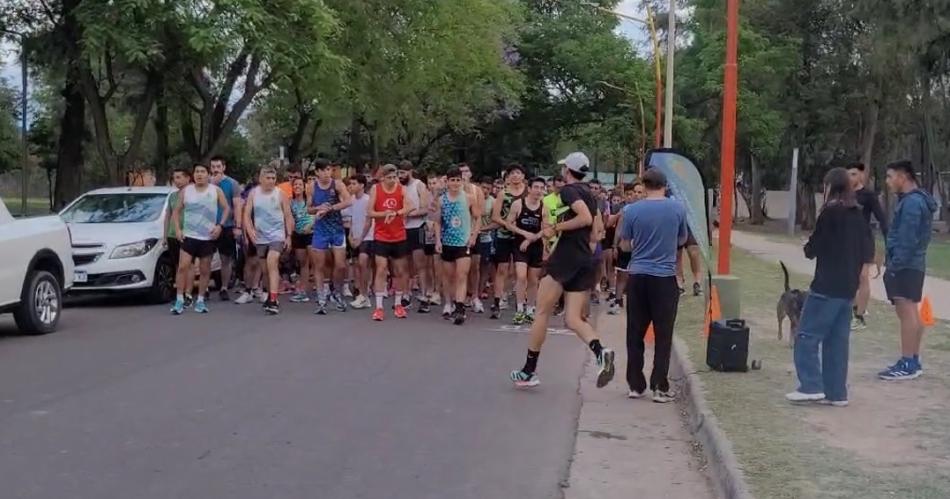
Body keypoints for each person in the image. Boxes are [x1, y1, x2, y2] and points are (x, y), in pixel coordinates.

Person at [510, 152, 615, 389]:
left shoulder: (569, 191)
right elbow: (597, 230)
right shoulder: (591, 194)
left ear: (568, 170)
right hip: (583, 258)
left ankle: (529, 370)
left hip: (566, 256)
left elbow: (586, 219)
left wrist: (556, 228)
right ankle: (601, 352)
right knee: (573, 318)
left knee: (541, 313)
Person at [785, 167, 873, 406]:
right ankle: (836, 393)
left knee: (806, 335)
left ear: (829, 187)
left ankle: (811, 385)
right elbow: (864, 248)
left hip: (826, 285)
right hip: (847, 287)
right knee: (836, 341)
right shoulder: (857, 213)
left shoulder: (830, 212)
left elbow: (814, 248)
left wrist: (808, 245)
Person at [618, 168, 687, 403]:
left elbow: (624, 245)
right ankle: (660, 385)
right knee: (663, 333)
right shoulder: (677, 208)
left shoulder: (631, 210)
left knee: (634, 332)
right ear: (665, 185)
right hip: (664, 277)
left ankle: (636, 385)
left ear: (644, 186)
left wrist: (640, 245)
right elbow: (682, 239)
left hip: (638, 276)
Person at [879, 160, 936, 381]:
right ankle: (912, 359)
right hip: (912, 263)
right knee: (911, 309)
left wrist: (895, 264)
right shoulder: (913, 201)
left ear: (903, 177)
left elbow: (908, 238)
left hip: (907, 264)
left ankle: (907, 362)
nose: (888, 181)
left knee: (906, 311)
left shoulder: (912, 203)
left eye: (890, 176)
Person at [171, 164, 230, 315]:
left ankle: (201, 300)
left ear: (208, 174)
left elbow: (226, 209)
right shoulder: (186, 191)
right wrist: (178, 230)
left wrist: (220, 226)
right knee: (183, 267)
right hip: (189, 235)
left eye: (203, 172)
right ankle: (179, 300)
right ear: (193, 175)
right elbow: (176, 212)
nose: (199, 174)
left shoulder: (215, 190)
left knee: (205, 270)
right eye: (197, 172)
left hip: (208, 236)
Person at [243, 167, 294, 315]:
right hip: (261, 236)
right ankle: (269, 293)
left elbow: (288, 215)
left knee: (273, 261)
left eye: (273, 178)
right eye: (268, 178)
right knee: (265, 270)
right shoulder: (254, 193)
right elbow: (246, 214)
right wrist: (250, 230)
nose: (271, 181)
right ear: (261, 179)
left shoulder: (280, 194)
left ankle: (273, 299)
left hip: (277, 235)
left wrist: (289, 235)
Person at [434, 167, 480, 324]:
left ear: (462, 181)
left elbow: (477, 218)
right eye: (452, 180)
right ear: (447, 182)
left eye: (457, 180)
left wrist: (473, 236)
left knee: (461, 275)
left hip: (463, 242)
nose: (455, 183)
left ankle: (460, 308)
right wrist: (438, 240)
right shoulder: (442, 200)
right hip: (447, 242)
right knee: (449, 276)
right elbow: (437, 222)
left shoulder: (469, 198)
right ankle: (448, 303)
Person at [369, 164, 414, 321]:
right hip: (381, 235)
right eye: (389, 178)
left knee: (400, 271)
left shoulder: (401, 188)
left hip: (398, 236)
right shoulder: (376, 189)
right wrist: (385, 213)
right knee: (381, 269)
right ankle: (379, 307)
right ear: (383, 177)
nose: (392, 180)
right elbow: (370, 212)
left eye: (394, 177)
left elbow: (410, 206)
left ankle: (398, 304)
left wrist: (396, 213)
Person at [846, 162, 888, 330]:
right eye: (848, 174)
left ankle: (859, 317)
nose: (851, 178)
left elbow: (882, 218)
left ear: (862, 175)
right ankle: (853, 310)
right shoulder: (843, 194)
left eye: (854, 174)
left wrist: (888, 241)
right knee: (850, 279)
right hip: (846, 243)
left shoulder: (868, 196)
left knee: (863, 277)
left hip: (864, 242)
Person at [308, 159, 353, 315]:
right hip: (321, 230)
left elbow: (348, 201)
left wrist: (331, 208)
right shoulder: (312, 187)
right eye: (324, 170)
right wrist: (317, 208)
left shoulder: (337, 184)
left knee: (340, 265)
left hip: (337, 229)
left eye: (329, 170)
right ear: (317, 172)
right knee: (319, 265)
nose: (327, 173)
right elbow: (309, 209)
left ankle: (336, 291)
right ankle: (321, 299)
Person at [505, 177, 546, 325]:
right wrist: (523, 234)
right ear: (529, 189)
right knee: (521, 276)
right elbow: (509, 224)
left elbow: (546, 228)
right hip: (519, 245)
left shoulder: (544, 206)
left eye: (542, 188)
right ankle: (520, 309)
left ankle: (530, 309)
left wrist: (531, 238)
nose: (539, 191)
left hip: (535, 245)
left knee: (534, 280)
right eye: (536, 187)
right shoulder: (518, 204)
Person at [491, 164, 528, 319]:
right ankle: (498, 300)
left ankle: (522, 302)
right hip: (504, 235)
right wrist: (507, 224)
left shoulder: (528, 193)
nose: (515, 176)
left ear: (523, 176)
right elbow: (495, 216)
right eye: (512, 173)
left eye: (518, 173)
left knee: (521, 271)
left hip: (523, 236)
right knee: (502, 269)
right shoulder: (503, 193)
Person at [397, 161, 432, 313]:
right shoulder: (397, 186)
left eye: (403, 173)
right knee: (403, 265)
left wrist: (408, 214)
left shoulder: (419, 185)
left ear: (410, 171)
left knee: (420, 265)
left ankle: (424, 296)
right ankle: (406, 295)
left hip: (416, 228)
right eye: (399, 173)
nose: (400, 176)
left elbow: (425, 208)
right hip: (401, 229)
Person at [209, 156, 243, 302]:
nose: (215, 169)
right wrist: (212, 185)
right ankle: (204, 290)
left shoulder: (232, 183)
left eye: (218, 166)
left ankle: (223, 287)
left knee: (225, 258)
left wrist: (238, 226)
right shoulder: (205, 183)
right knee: (206, 258)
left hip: (227, 225)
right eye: (213, 167)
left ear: (224, 167)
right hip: (208, 226)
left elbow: (236, 205)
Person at [609, 182, 644, 315]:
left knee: (637, 276)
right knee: (622, 274)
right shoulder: (626, 209)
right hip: (626, 247)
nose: (636, 194)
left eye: (639, 192)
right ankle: (618, 300)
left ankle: (637, 304)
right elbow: (619, 228)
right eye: (635, 192)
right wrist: (614, 245)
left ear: (645, 194)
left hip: (640, 248)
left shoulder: (648, 209)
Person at [459, 164, 488, 313]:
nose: (463, 174)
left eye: (466, 171)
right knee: (459, 268)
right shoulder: (453, 189)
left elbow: (481, 212)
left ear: (470, 174)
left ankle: (475, 295)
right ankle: (460, 297)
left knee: (475, 266)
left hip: (473, 231)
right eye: (461, 172)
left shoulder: (476, 190)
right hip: (457, 233)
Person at [344, 175, 373, 309]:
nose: (352, 186)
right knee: (357, 265)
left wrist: (361, 237)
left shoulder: (368, 200)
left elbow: (368, 221)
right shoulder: (352, 200)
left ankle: (365, 294)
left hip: (367, 236)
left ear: (362, 185)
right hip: (354, 236)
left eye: (354, 183)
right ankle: (361, 294)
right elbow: (351, 219)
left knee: (363, 263)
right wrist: (350, 236)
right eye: (351, 184)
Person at [164, 167, 192, 305]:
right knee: (177, 265)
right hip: (172, 234)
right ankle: (179, 292)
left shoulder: (194, 194)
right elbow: (168, 216)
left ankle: (188, 293)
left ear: (188, 178)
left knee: (189, 265)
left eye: (180, 177)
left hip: (188, 234)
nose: (178, 181)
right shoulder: (172, 196)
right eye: (175, 178)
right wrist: (165, 236)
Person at [289, 177, 315, 303]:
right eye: (295, 184)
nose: (297, 186)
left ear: (304, 187)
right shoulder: (290, 202)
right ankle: (303, 290)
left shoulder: (309, 200)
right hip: (298, 234)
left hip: (311, 233)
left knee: (315, 261)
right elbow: (289, 218)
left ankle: (323, 288)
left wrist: (310, 226)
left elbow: (316, 214)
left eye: (300, 184)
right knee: (303, 263)